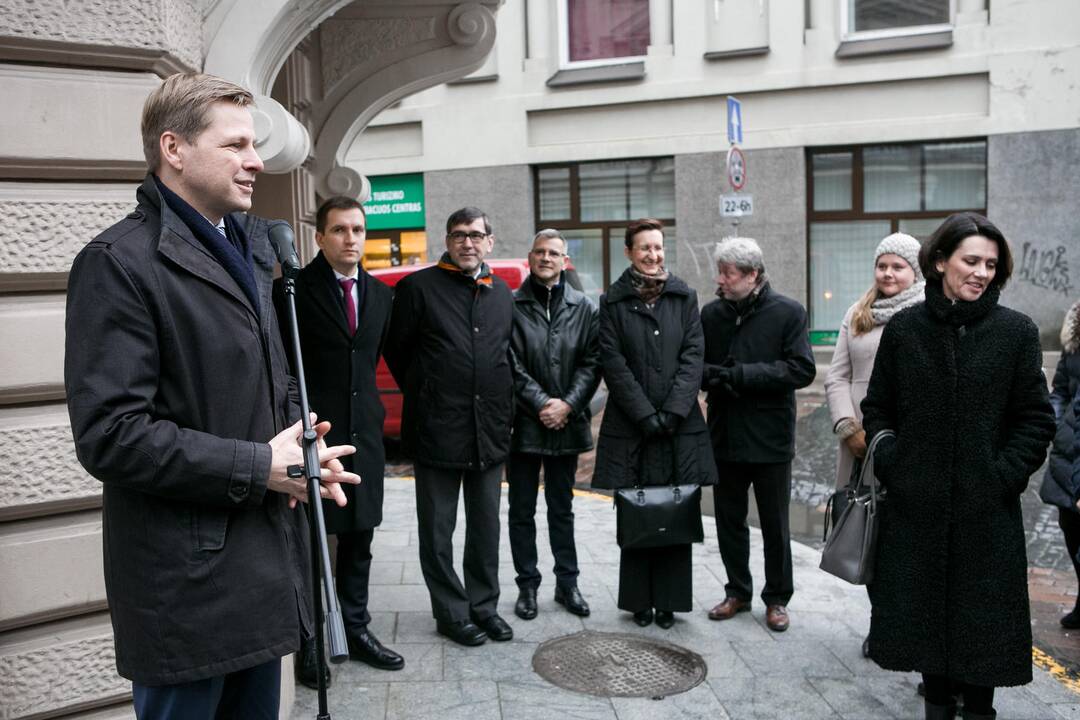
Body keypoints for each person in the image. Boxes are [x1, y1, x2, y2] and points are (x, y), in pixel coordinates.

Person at [64, 73, 359, 718]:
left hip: (261, 570)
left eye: (252, 145)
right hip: (185, 594)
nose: (255, 161)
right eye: (234, 146)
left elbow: (267, 386)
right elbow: (110, 436)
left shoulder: (250, 250)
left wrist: (303, 455)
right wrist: (261, 467)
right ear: (174, 149)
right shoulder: (118, 263)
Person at [861, 212, 1056, 720]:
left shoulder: (1015, 332)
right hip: (917, 512)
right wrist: (894, 462)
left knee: (981, 646)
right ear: (940, 261)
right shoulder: (905, 330)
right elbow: (879, 407)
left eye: (991, 264)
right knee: (927, 644)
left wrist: (1001, 476)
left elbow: (1036, 419)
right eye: (971, 260)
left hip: (985, 516)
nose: (982, 272)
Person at [273, 196, 403, 687]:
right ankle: (310, 643)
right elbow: (282, 367)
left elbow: (367, 366)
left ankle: (356, 628)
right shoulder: (290, 291)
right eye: (341, 230)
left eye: (358, 230)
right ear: (320, 237)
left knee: (359, 538)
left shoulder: (381, 295)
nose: (351, 239)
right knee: (310, 542)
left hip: (364, 434)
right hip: (314, 435)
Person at [384, 207, 515, 646]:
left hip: (488, 430)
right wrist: (429, 393)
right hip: (437, 428)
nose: (467, 243)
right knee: (438, 530)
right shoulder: (417, 288)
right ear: (447, 239)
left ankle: (484, 607)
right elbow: (398, 353)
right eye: (459, 235)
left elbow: (504, 356)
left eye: (476, 235)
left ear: (489, 242)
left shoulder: (500, 293)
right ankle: (451, 613)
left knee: (486, 528)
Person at [591, 218, 717, 629]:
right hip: (632, 428)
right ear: (629, 252)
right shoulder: (611, 302)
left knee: (677, 514)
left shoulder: (684, 296)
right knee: (637, 514)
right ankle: (639, 602)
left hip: (680, 427)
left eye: (659, 247)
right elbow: (613, 362)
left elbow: (693, 356)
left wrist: (675, 410)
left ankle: (669, 602)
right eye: (645, 247)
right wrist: (646, 413)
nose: (653, 254)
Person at [702, 236, 816, 633]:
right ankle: (738, 592)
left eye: (728, 274)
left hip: (770, 437)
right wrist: (711, 376)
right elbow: (697, 365)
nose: (721, 280)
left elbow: (802, 370)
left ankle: (777, 599)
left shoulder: (788, 312)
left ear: (753, 275)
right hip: (725, 435)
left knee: (774, 523)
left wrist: (743, 375)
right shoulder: (712, 314)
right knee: (729, 520)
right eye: (720, 271)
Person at [824, 233, 925, 656]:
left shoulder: (925, 313)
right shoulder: (858, 312)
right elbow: (837, 376)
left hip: (906, 441)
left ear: (915, 271)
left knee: (904, 537)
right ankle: (880, 624)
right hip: (860, 444)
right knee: (867, 530)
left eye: (897, 266)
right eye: (881, 265)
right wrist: (849, 427)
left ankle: (907, 625)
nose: (887, 273)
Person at [508, 229, 601, 620]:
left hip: (566, 423)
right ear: (530, 257)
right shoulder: (510, 304)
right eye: (540, 252)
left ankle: (568, 584)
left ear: (565, 261)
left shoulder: (584, 307)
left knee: (562, 509)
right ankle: (527, 587)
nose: (546, 258)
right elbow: (509, 360)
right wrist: (542, 402)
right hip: (524, 426)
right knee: (521, 510)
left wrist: (567, 404)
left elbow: (593, 361)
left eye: (554, 253)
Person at [1038, 300, 1080, 629]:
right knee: (1070, 524)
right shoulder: (1075, 336)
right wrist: (1053, 420)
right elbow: (1061, 389)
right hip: (1071, 449)